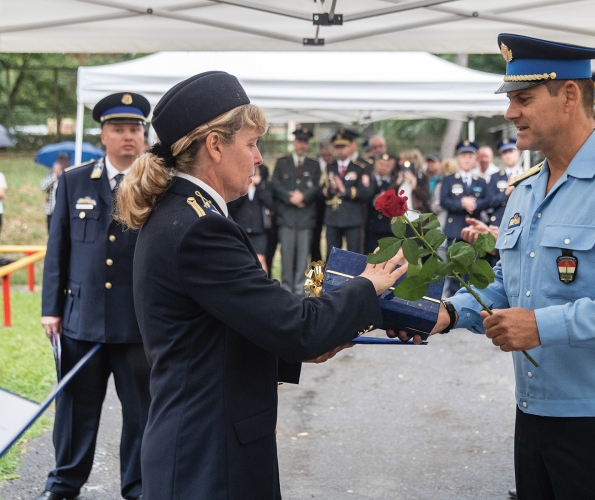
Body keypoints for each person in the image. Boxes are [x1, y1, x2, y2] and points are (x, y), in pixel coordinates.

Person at [394, 34, 595, 499]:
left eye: (523, 99)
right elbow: (510, 282)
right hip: (534, 412)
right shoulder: (526, 189)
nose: (510, 113)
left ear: (570, 95)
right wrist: (448, 313)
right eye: (510, 100)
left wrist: (543, 326)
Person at [114, 71, 407, 499]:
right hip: (209, 459)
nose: (258, 158)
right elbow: (296, 326)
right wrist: (369, 284)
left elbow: (225, 328)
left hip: (203, 445)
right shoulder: (199, 228)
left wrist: (306, 346)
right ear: (215, 145)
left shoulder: (185, 213)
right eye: (251, 143)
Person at [38, 92, 152, 500]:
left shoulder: (155, 185)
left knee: (141, 412)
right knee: (74, 409)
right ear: (102, 135)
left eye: (135, 129)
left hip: (136, 322)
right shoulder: (74, 182)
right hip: (80, 318)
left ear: (144, 135)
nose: (128, 137)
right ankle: (64, 484)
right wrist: (50, 309)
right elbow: (58, 249)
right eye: (118, 129)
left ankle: (138, 489)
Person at [272, 127, 321, 297]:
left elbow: (317, 187)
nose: (302, 145)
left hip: (306, 218)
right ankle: (286, 291)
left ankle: (300, 292)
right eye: (299, 141)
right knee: (286, 257)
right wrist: (289, 197)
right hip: (286, 217)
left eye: (305, 142)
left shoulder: (314, 165)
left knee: (303, 258)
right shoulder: (282, 162)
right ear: (294, 143)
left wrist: (304, 197)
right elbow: (275, 185)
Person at [440, 140, 488, 296]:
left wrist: (474, 203)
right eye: (463, 156)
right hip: (455, 230)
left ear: (474, 159)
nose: (467, 159)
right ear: (458, 159)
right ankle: (454, 304)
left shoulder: (480, 181)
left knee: (472, 268)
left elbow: (487, 200)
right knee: (455, 270)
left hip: (474, 230)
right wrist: (461, 203)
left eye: (470, 156)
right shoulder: (449, 179)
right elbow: (444, 200)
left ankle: (472, 299)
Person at [322, 128, 374, 256]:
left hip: (353, 218)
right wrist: (332, 189)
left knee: (354, 255)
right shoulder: (330, 167)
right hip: (333, 218)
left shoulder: (362, 166)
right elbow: (322, 191)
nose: (340, 150)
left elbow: (367, 191)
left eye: (344, 146)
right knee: (332, 256)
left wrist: (344, 190)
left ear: (353, 145)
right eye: (338, 147)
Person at [227, 167, 273, 273]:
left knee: (260, 260)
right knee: (241, 259)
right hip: (242, 228)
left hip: (259, 230)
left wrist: (259, 186)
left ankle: (263, 285)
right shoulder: (239, 187)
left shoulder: (265, 185)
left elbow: (270, 203)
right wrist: (246, 188)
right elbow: (234, 205)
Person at [365, 153, 400, 253]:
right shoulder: (370, 180)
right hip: (371, 224)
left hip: (387, 226)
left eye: (387, 165)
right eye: (381, 164)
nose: (384, 168)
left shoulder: (393, 183)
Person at [311, 140, 334, 262]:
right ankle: (316, 278)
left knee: (332, 242)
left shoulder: (335, 165)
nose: (327, 157)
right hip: (316, 207)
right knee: (315, 242)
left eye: (329, 155)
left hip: (332, 208)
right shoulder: (314, 165)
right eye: (324, 155)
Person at [42, 151, 69, 231]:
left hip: (66, 212)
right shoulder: (50, 174)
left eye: (64, 160)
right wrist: (55, 175)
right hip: (52, 212)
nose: (61, 163)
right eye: (60, 160)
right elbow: (43, 187)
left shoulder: (70, 175)